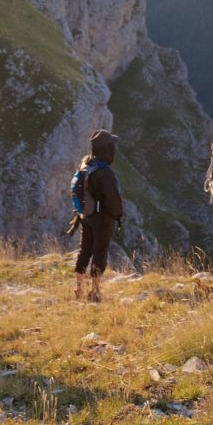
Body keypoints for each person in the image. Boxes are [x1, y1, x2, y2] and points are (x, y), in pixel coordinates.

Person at [74, 129, 123, 303]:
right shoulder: (105, 172)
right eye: (111, 145)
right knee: (99, 253)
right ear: (106, 149)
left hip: (85, 215)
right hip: (102, 218)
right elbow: (113, 199)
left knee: (84, 250)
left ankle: (79, 288)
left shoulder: (85, 164)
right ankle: (94, 291)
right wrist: (117, 215)